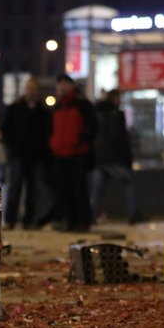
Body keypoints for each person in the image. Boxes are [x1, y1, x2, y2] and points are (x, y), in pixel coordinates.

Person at [2, 78, 53, 229]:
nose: (31, 91)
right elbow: (7, 130)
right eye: (29, 88)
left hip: (36, 157)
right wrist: (12, 148)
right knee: (14, 189)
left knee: (33, 190)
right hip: (18, 156)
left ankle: (28, 221)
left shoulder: (43, 111)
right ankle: (10, 220)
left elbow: (47, 133)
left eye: (34, 88)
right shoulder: (15, 108)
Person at [49, 75, 97, 232]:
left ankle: (83, 222)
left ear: (71, 86)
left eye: (64, 84)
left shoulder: (82, 104)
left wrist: (81, 141)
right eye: (59, 85)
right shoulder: (58, 106)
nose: (61, 88)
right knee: (64, 190)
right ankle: (70, 221)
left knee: (79, 190)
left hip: (77, 154)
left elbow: (93, 126)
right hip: (60, 155)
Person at [90, 89, 141, 225]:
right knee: (128, 180)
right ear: (114, 98)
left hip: (100, 158)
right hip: (113, 159)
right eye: (118, 98)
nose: (120, 101)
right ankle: (132, 213)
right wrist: (126, 159)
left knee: (98, 190)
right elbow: (119, 139)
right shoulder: (116, 114)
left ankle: (90, 216)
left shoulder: (97, 113)